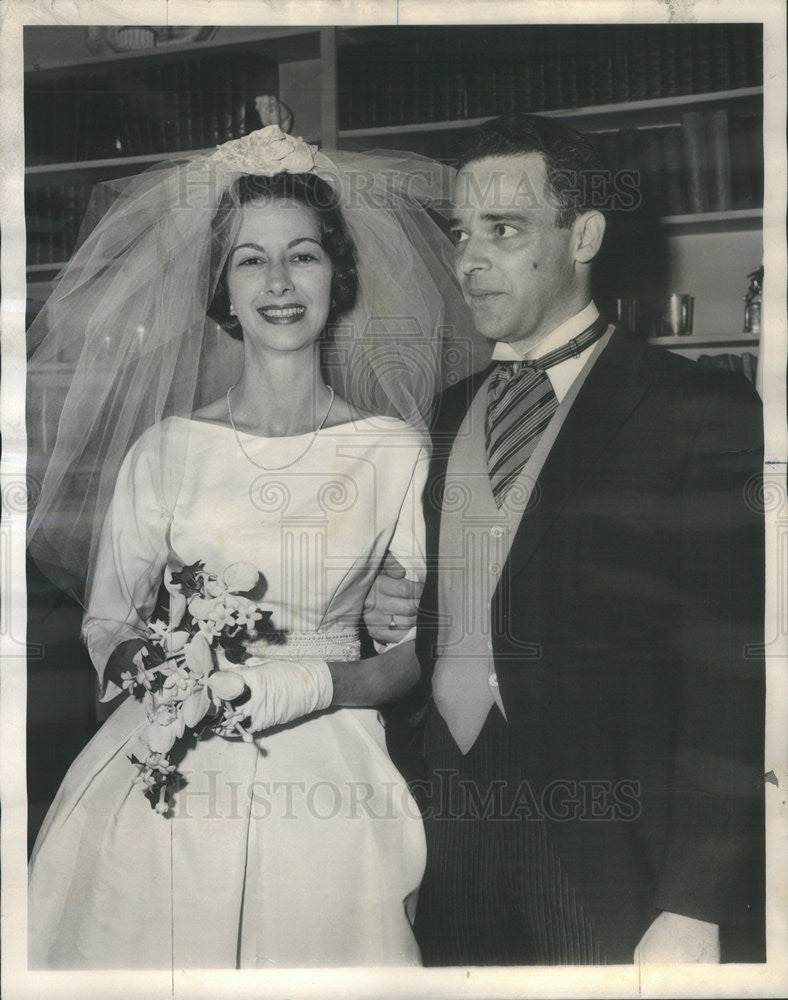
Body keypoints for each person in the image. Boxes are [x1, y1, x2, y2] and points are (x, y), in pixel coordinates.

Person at [26, 126, 480, 968]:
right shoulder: (165, 448)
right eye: (249, 260)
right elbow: (106, 624)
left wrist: (309, 683)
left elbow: (420, 648)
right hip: (171, 758)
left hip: (331, 764)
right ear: (221, 290)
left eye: (302, 256)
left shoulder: (394, 449)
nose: (278, 283)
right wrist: (164, 670)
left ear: (336, 278)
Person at [367, 113, 765, 965]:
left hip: (609, 852)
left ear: (584, 234)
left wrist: (695, 901)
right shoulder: (448, 411)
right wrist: (405, 607)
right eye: (461, 233)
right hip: (451, 830)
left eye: (503, 231)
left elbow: (733, 675)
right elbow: (474, 595)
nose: (468, 259)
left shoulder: (699, 410)